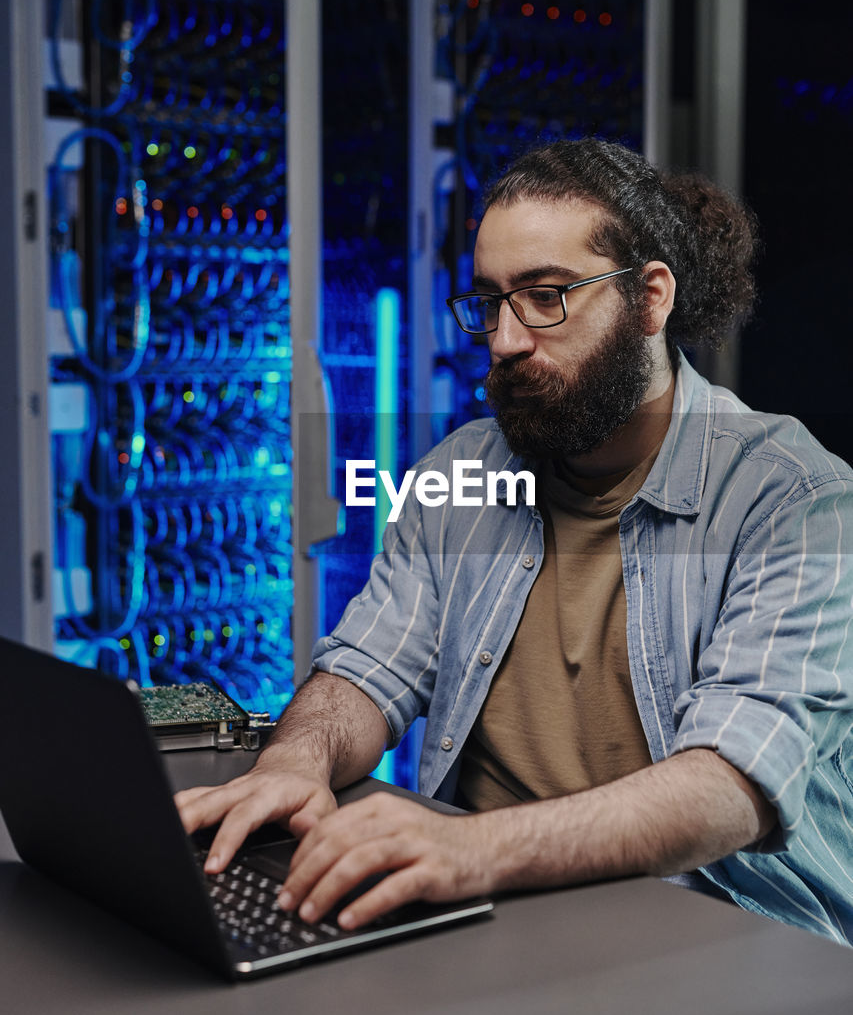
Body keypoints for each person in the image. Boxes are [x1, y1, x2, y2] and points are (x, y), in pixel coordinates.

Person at [176, 138, 853, 945]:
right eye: (491, 303)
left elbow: (730, 785)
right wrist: (296, 761)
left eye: (545, 297)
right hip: (494, 917)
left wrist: (467, 848)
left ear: (649, 299)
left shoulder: (795, 498)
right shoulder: (460, 471)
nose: (503, 340)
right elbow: (366, 668)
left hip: (715, 937)